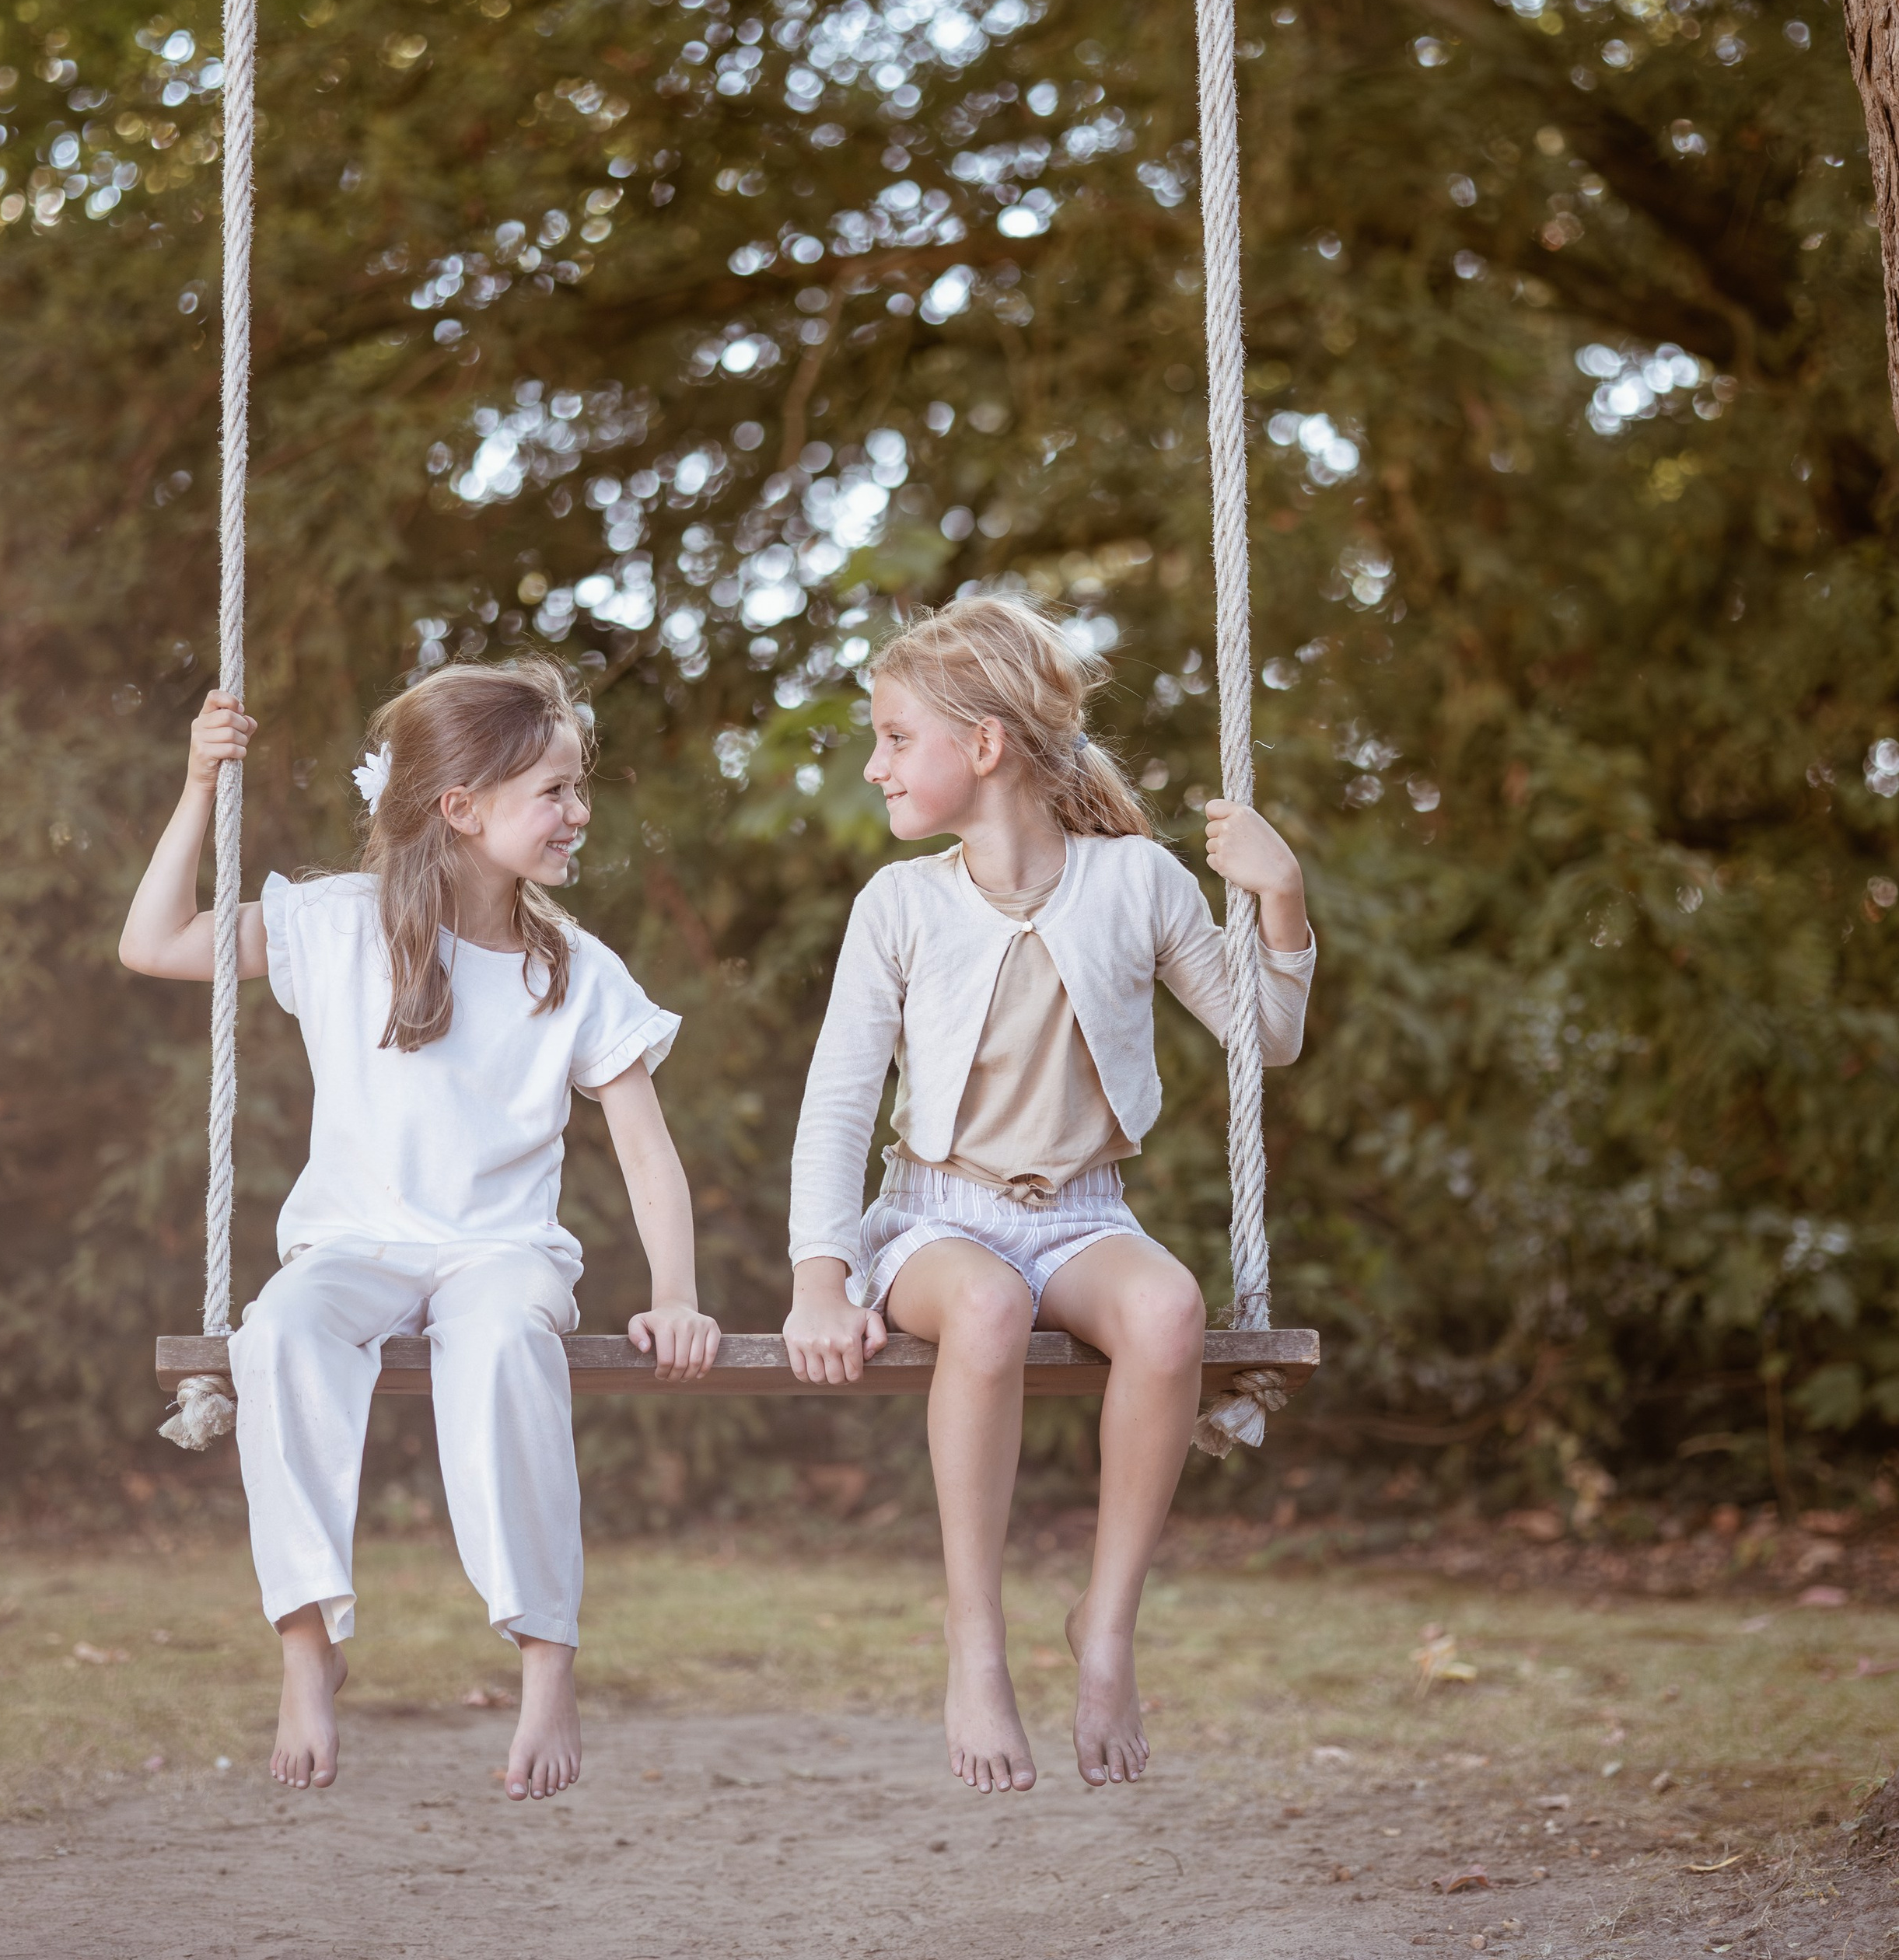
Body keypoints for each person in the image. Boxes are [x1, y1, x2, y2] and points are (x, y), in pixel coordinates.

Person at [120, 657, 716, 1800]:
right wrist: (200, 786)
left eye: (577, 787)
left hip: (502, 1255)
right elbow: (156, 941)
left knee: (498, 1344)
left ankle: (548, 1657)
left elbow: (646, 1148)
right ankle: (308, 1645)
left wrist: (676, 1293)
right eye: (554, 789)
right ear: (462, 808)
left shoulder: (574, 971)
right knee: (280, 1334)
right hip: (354, 1247)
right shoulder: (339, 927)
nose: (578, 811)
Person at [782, 596, 1313, 1795]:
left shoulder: (1138, 883)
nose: (874, 764)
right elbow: (837, 1106)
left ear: (984, 746)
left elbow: (1265, 1038)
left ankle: (1107, 1629)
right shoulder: (900, 906)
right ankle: (976, 1642)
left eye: (892, 735)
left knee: (1173, 1311)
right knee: (984, 1311)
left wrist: (1278, 896)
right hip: (933, 1217)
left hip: (1084, 1214)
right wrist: (823, 1277)